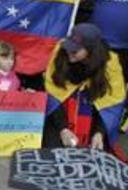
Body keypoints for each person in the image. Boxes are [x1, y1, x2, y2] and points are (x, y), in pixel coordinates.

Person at [43, 24, 126, 156]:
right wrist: (63, 129)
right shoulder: (61, 51)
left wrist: (99, 133)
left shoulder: (110, 63)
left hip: (93, 110)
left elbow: (111, 103)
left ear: (90, 50)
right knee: (52, 152)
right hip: (61, 111)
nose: (69, 52)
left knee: (97, 154)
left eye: (75, 50)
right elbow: (53, 94)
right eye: (69, 47)